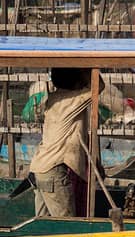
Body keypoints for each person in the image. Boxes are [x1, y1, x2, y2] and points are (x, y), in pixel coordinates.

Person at [28, 68, 96, 217]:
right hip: (53, 171)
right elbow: (99, 87)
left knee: (43, 223)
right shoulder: (70, 101)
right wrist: (89, 67)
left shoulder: (54, 98)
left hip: (39, 169)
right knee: (66, 222)